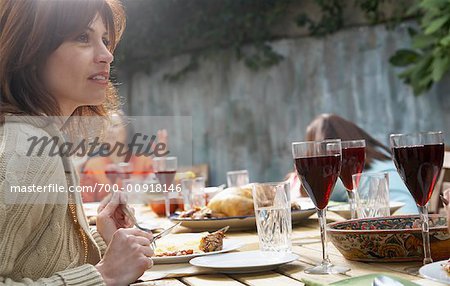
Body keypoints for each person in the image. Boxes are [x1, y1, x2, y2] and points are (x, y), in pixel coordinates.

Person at [0, 0, 154, 285]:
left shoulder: (43, 138)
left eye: (105, 40)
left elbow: (36, 260)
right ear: (31, 51)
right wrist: (104, 275)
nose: (107, 54)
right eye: (82, 37)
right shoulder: (25, 147)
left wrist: (97, 237)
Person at [289, 113, 417, 214]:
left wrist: (298, 179)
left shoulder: (345, 176)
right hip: (412, 219)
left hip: (393, 225)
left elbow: (318, 190)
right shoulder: (383, 159)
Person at [79, 111, 168, 203]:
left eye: (114, 125)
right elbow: (85, 203)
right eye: (105, 127)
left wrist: (161, 162)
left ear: (127, 130)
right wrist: (76, 170)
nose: (109, 130)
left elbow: (159, 194)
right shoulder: (93, 166)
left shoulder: (143, 161)